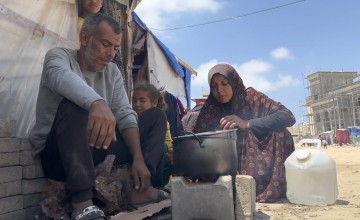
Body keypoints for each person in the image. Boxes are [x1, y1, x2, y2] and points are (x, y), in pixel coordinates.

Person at [29, 13, 167, 220]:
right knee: (75, 104)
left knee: (155, 116)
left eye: (115, 48)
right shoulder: (59, 56)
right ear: (85, 39)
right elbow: (59, 76)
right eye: (105, 44)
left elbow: (124, 112)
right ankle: (83, 204)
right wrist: (97, 102)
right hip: (59, 152)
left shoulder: (112, 72)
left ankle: (140, 187)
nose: (111, 53)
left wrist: (139, 158)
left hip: (96, 148)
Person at [192, 63, 296, 203]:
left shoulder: (252, 98)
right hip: (223, 167)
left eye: (224, 83)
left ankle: (267, 187)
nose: (220, 90)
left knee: (282, 134)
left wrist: (247, 124)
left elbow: (287, 116)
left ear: (234, 82)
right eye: (214, 86)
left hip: (258, 164)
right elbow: (198, 139)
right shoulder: (211, 109)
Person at [131, 83, 172, 187]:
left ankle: (154, 184)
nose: (137, 104)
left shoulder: (160, 120)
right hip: (136, 156)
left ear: (154, 103)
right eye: (134, 101)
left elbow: (167, 142)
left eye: (142, 100)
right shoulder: (131, 120)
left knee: (164, 149)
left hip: (156, 158)